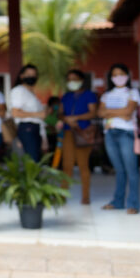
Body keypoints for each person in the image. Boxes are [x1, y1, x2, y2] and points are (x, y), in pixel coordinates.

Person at [98, 63, 140, 214]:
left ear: (127, 76)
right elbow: (100, 113)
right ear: (111, 78)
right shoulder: (106, 94)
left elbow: (129, 112)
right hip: (110, 134)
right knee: (119, 170)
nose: (118, 77)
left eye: (121, 74)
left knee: (131, 170)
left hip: (126, 133)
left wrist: (109, 111)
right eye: (115, 75)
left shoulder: (133, 92)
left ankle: (133, 204)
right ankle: (118, 201)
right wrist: (120, 112)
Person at [60, 69, 98, 204]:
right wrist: (65, 119)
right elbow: (60, 113)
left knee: (83, 165)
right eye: (69, 79)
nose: (72, 82)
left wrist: (76, 118)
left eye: (74, 79)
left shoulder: (89, 95)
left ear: (81, 80)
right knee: (66, 165)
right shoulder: (66, 96)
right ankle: (62, 195)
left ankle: (85, 196)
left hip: (82, 133)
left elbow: (93, 113)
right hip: (68, 132)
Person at [9, 64, 48, 162]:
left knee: (35, 161)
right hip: (27, 128)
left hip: (35, 128)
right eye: (28, 74)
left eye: (34, 75)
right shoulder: (19, 91)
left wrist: (44, 137)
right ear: (21, 76)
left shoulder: (30, 93)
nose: (31, 77)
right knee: (32, 161)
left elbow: (40, 117)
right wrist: (38, 114)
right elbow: (15, 113)